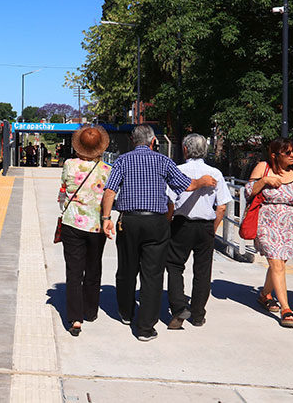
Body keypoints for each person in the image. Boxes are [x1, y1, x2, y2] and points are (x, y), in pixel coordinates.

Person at [101, 125, 217, 342]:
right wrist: (202, 181)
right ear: (153, 141)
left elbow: (110, 191)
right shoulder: (163, 161)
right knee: (152, 274)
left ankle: (126, 313)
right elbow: (186, 185)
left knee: (127, 268)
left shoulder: (122, 161)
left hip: (129, 219)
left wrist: (106, 218)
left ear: (133, 141)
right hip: (156, 222)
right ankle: (145, 328)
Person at [164, 134, 232, 329]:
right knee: (203, 270)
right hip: (206, 226)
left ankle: (179, 307)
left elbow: (170, 202)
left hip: (181, 223)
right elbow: (222, 207)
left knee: (175, 265)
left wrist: (168, 223)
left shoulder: (176, 171)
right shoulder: (215, 173)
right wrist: (214, 227)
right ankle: (198, 313)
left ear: (185, 149)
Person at [246, 138, 293, 328]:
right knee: (276, 263)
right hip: (267, 222)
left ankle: (265, 294)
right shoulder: (263, 167)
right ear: (275, 154)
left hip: (290, 225)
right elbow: (248, 191)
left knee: (279, 264)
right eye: (288, 152)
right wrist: (265, 180)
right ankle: (286, 308)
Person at [59, 125, 112, 336]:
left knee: (74, 271)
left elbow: (63, 189)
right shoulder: (107, 170)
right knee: (93, 267)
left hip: (72, 223)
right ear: (100, 148)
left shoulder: (69, 165)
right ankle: (91, 310)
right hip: (97, 226)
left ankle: (75, 319)